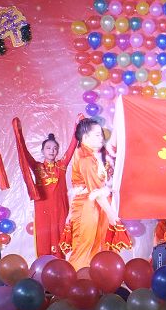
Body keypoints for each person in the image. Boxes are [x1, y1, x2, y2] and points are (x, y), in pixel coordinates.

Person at [13, 115, 80, 258]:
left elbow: (72, 146)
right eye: (48, 148)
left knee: (59, 238)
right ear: (42, 151)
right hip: (42, 208)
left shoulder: (61, 165)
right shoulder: (37, 167)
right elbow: (24, 152)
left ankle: (60, 266)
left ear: (57, 151)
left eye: (55, 148)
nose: (52, 150)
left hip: (59, 209)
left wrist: (77, 125)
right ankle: (43, 266)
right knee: (44, 238)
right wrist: (19, 132)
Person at [64, 118, 127, 269]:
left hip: (96, 205)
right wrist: (113, 216)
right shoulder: (85, 159)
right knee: (84, 246)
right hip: (87, 206)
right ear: (85, 137)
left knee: (97, 247)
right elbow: (96, 192)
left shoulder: (92, 155)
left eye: (101, 134)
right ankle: (76, 280)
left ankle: (92, 279)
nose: (101, 138)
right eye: (97, 135)